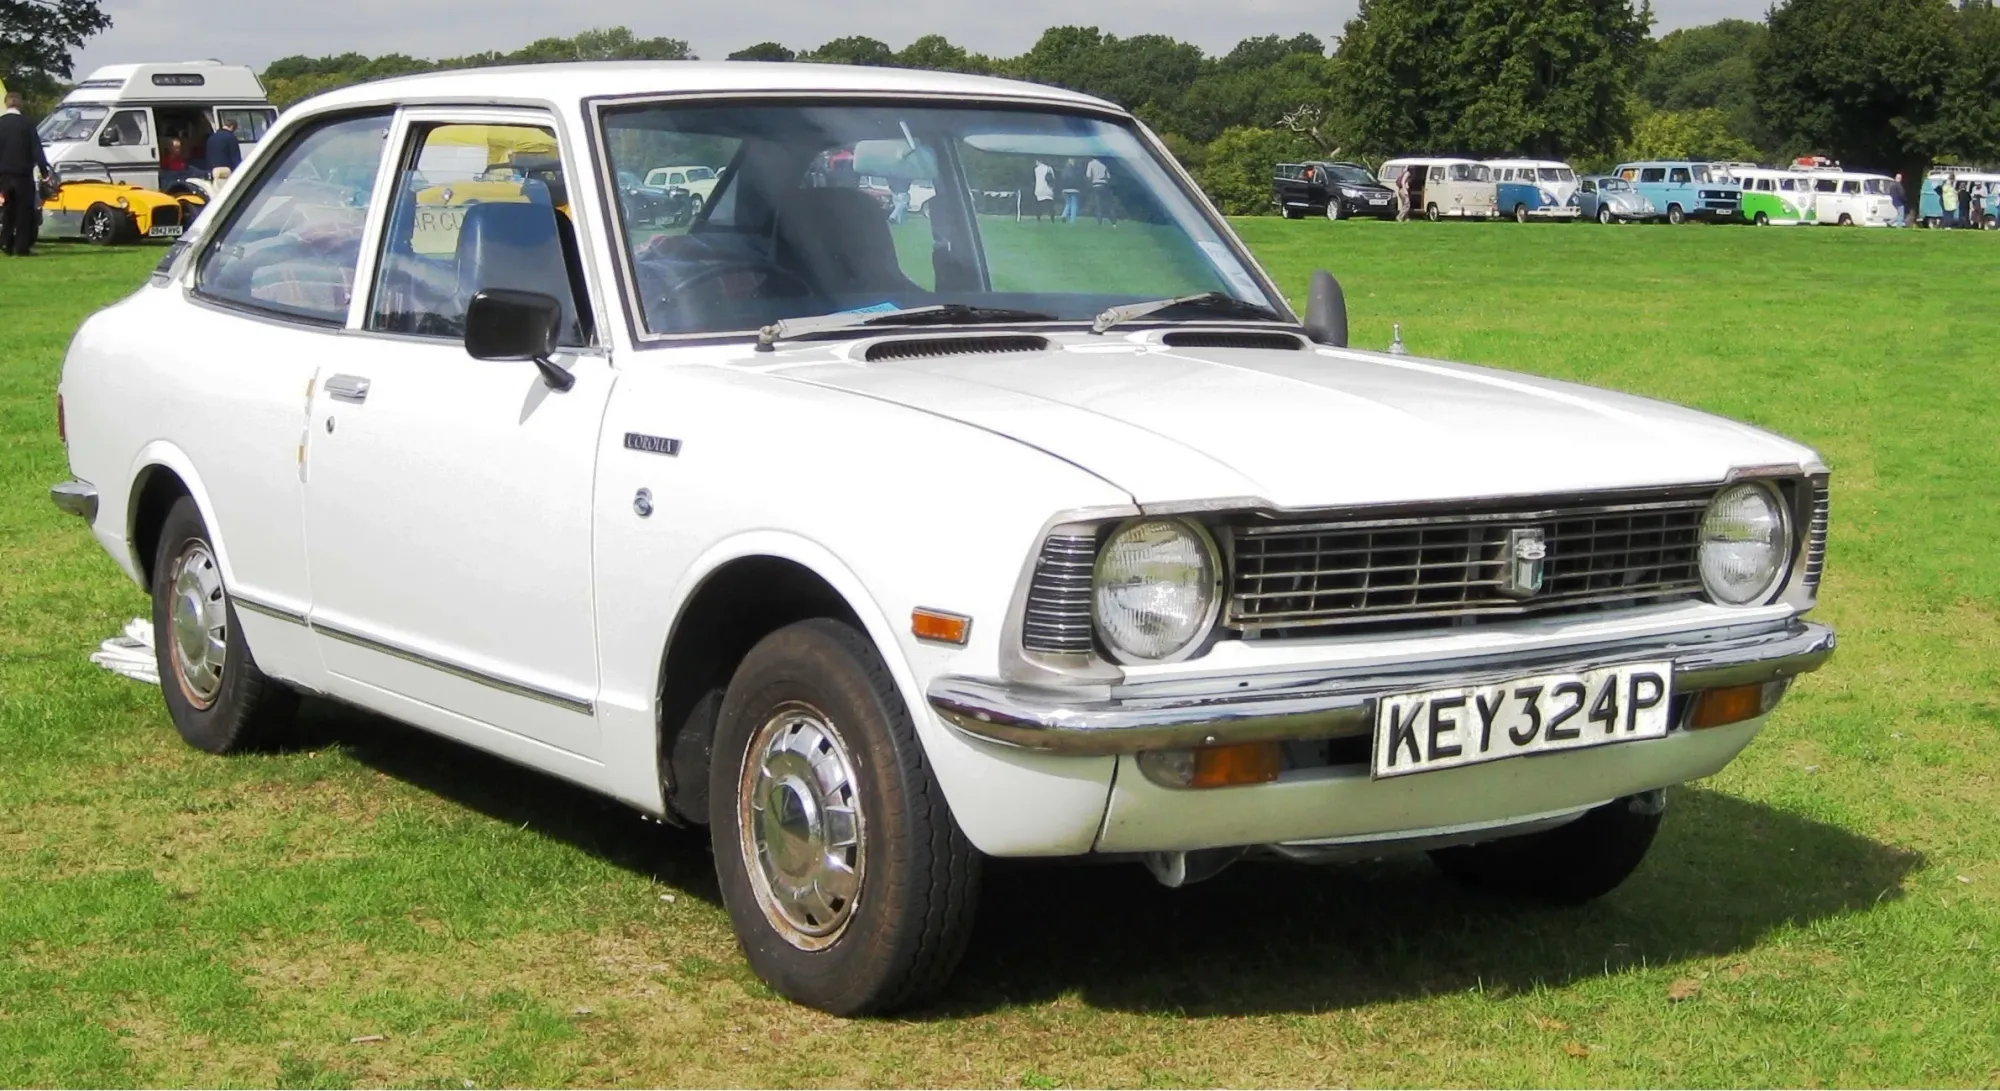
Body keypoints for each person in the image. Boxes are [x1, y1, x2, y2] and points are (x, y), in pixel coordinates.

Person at [0, 92, 52, 257]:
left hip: (4, 176)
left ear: (6, 104)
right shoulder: (27, 124)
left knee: (8, 210)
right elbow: (36, 150)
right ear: (20, 105)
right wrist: (44, 172)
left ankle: (5, 242)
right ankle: (21, 247)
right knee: (24, 211)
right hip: (23, 174)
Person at [1085, 156, 1115, 224]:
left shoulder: (1091, 163)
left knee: (1098, 204)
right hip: (1104, 184)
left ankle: (1100, 221)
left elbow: (1088, 175)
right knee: (1107, 203)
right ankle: (1113, 221)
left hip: (1096, 185)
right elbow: (1108, 176)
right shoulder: (1103, 164)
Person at [1058, 158, 1082, 223]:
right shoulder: (1076, 170)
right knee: (1074, 204)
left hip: (1065, 189)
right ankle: (1072, 220)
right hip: (1074, 189)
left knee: (1068, 203)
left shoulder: (1063, 170)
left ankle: (1064, 214)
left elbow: (1061, 179)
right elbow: (1078, 179)